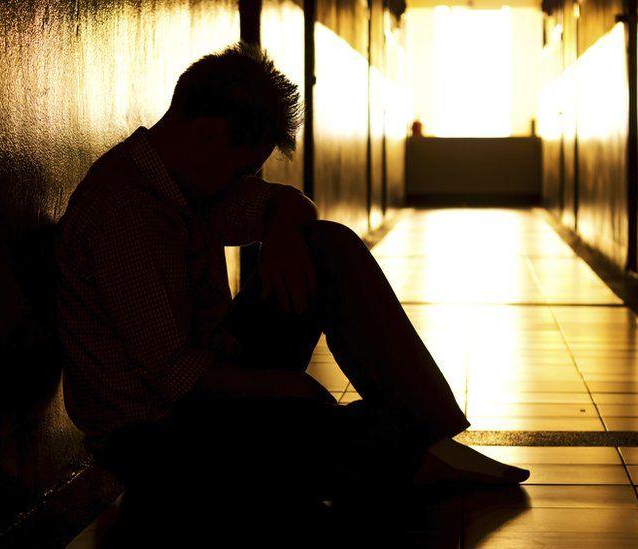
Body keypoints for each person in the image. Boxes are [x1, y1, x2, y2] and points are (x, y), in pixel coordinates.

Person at [54, 42, 528, 537]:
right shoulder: (122, 213)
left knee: (325, 245)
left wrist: (280, 231)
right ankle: (400, 449)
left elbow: (287, 204)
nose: (243, 182)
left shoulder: (186, 181)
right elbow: (175, 378)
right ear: (210, 135)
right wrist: (289, 388)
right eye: (242, 170)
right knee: (311, 429)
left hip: (210, 376)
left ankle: (423, 434)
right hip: (157, 433)